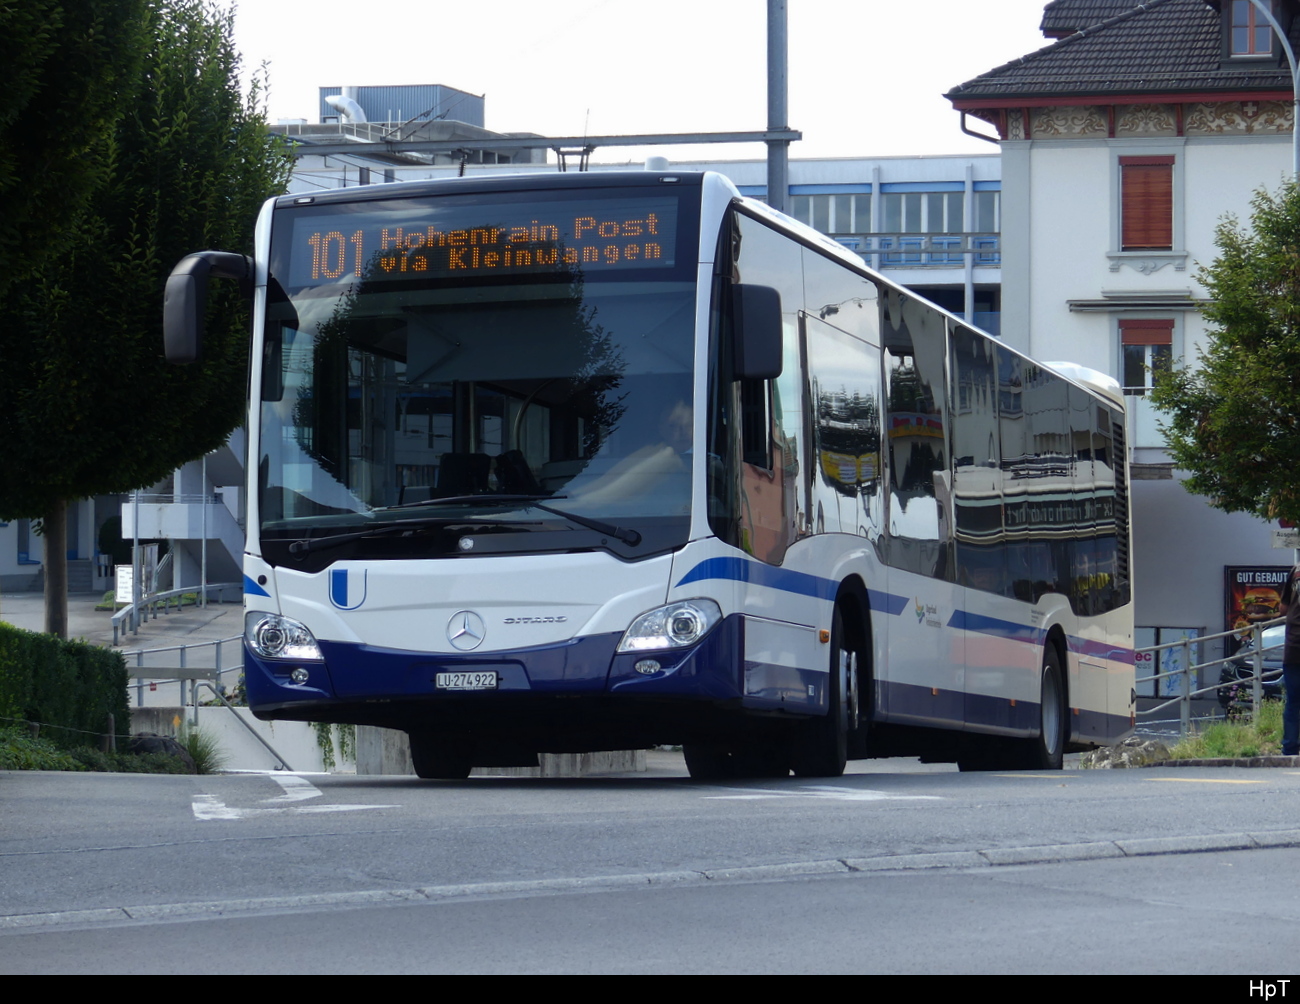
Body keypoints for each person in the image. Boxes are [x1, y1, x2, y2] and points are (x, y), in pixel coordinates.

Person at [1281, 563, 1300, 757]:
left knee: (1293, 701)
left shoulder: (1296, 571)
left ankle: (1290, 749)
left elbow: (1282, 609)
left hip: (1294, 646)